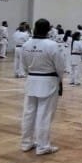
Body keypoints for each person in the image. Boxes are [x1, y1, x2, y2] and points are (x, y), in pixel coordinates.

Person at [20, 19, 65, 155]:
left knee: (28, 113)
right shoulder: (52, 45)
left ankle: (26, 143)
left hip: (32, 80)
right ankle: (43, 146)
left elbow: (24, 65)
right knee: (44, 115)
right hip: (48, 81)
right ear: (48, 30)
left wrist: (31, 74)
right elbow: (60, 67)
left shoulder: (26, 45)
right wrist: (60, 80)